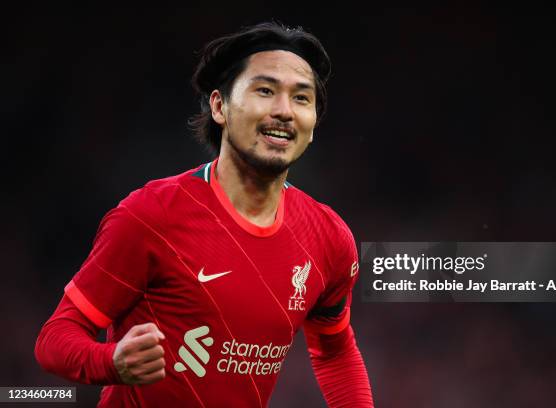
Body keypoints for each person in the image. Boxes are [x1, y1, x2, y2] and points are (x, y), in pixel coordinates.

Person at [35, 21, 374, 407]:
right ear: (219, 106)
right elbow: (55, 338)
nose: (284, 111)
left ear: (312, 126)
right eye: (265, 91)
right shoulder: (151, 215)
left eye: (301, 98)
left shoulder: (329, 238)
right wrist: (109, 361)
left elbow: (334, 351)